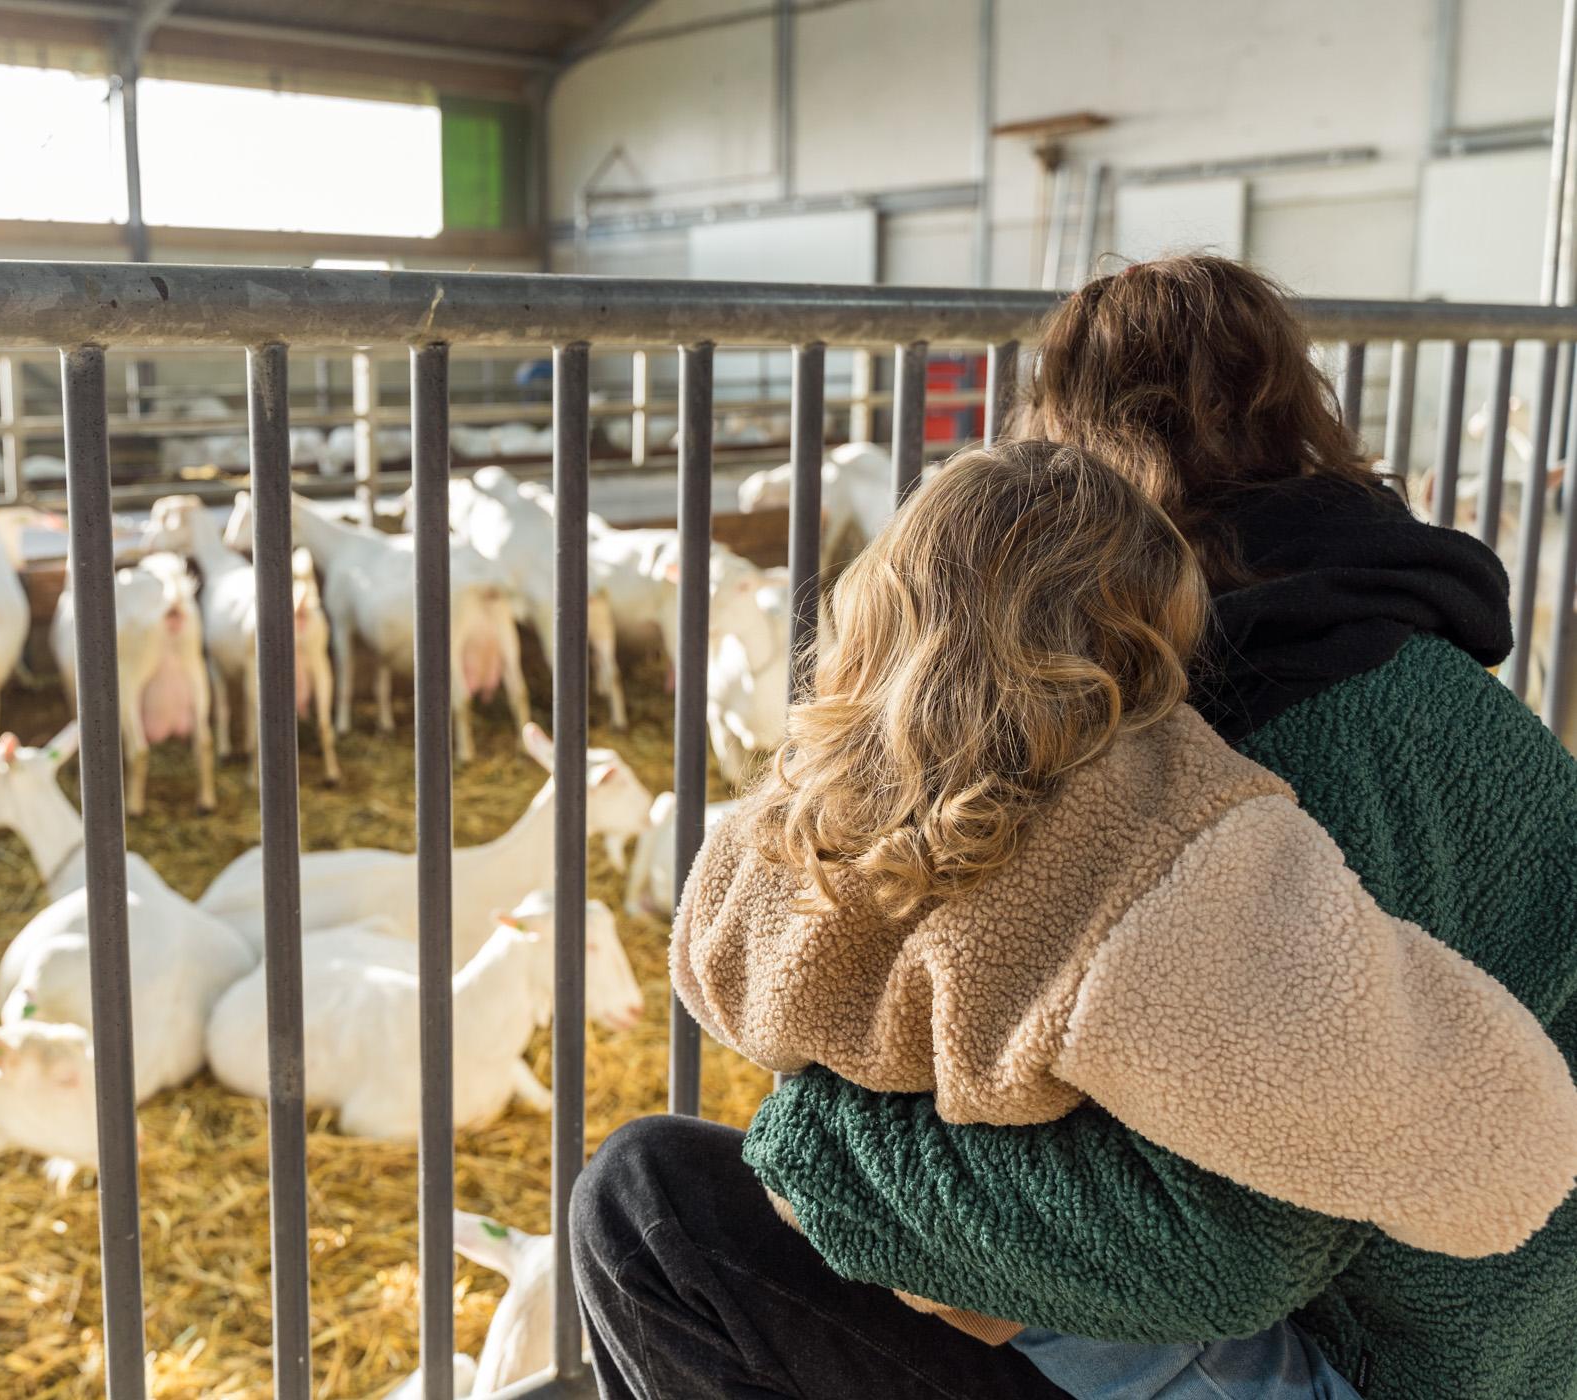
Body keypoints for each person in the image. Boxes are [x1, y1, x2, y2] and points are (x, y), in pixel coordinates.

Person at [572, 256, 1577, 1400]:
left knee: (649, 1206)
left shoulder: (1246, 750)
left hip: (1392, 1363)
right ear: (1303, 419)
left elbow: (1225, 1246)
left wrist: (823, 1151)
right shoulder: (1407, 650)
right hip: (1518, 1330)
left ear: (1070, 447)